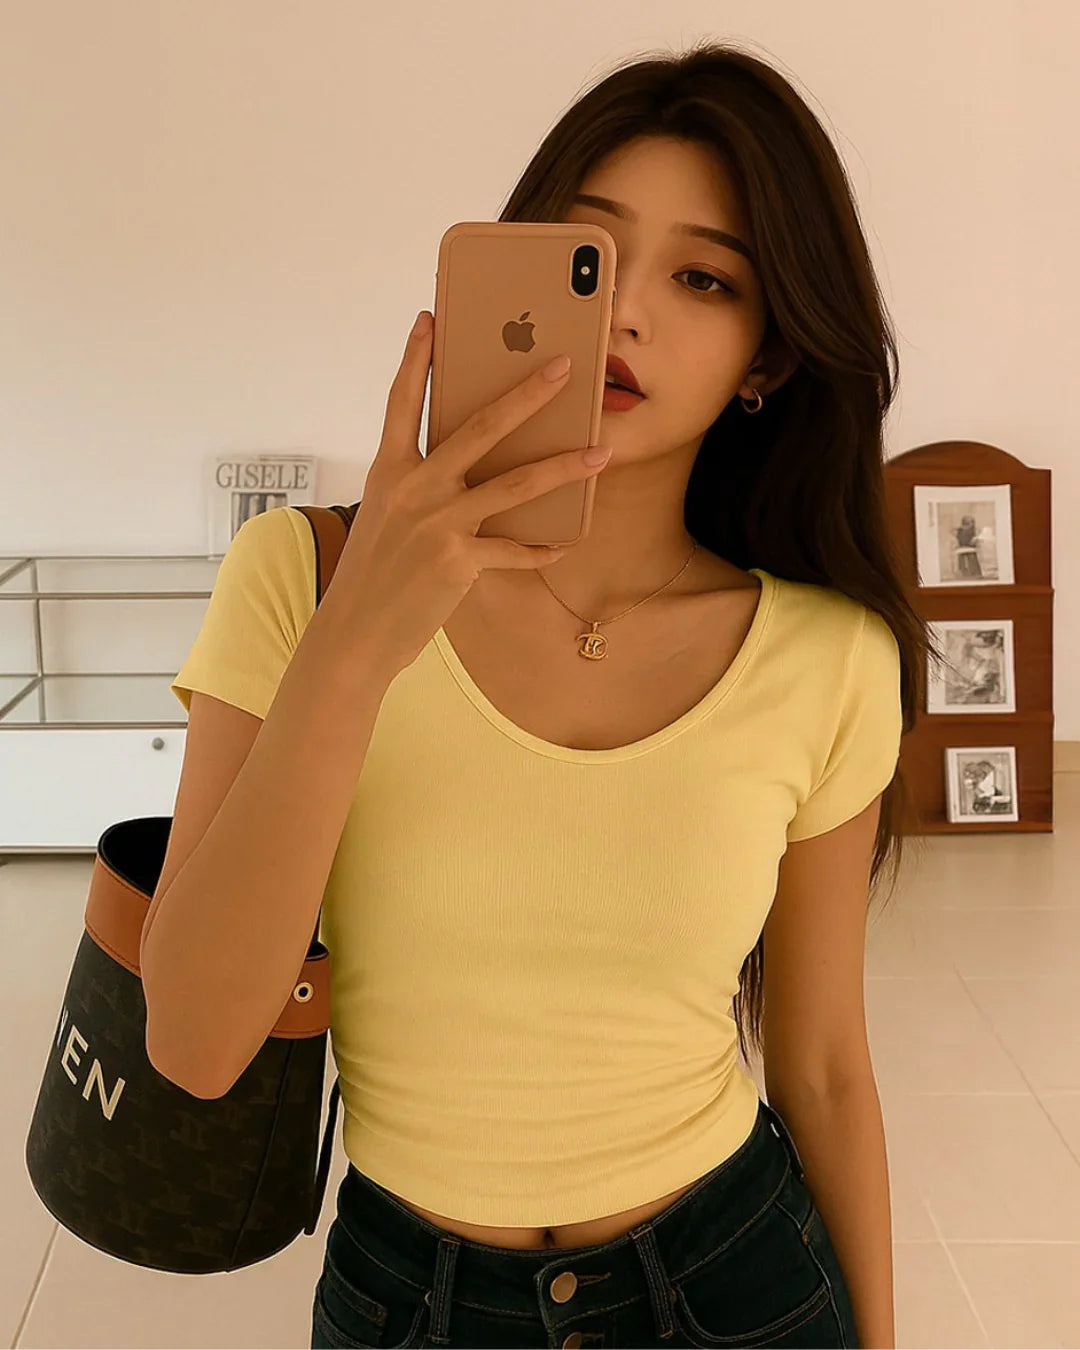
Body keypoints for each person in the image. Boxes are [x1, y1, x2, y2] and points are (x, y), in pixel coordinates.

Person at [170, 40, 933, 1350]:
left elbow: (821, 1066)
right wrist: (358, 643)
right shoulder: (302, 579)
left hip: (737, 1278)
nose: (625, 311)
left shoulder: (828, 657)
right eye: (590, 255)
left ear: (764, 359)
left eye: (703, 278)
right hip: (412, 1300)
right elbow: (194, 1039)